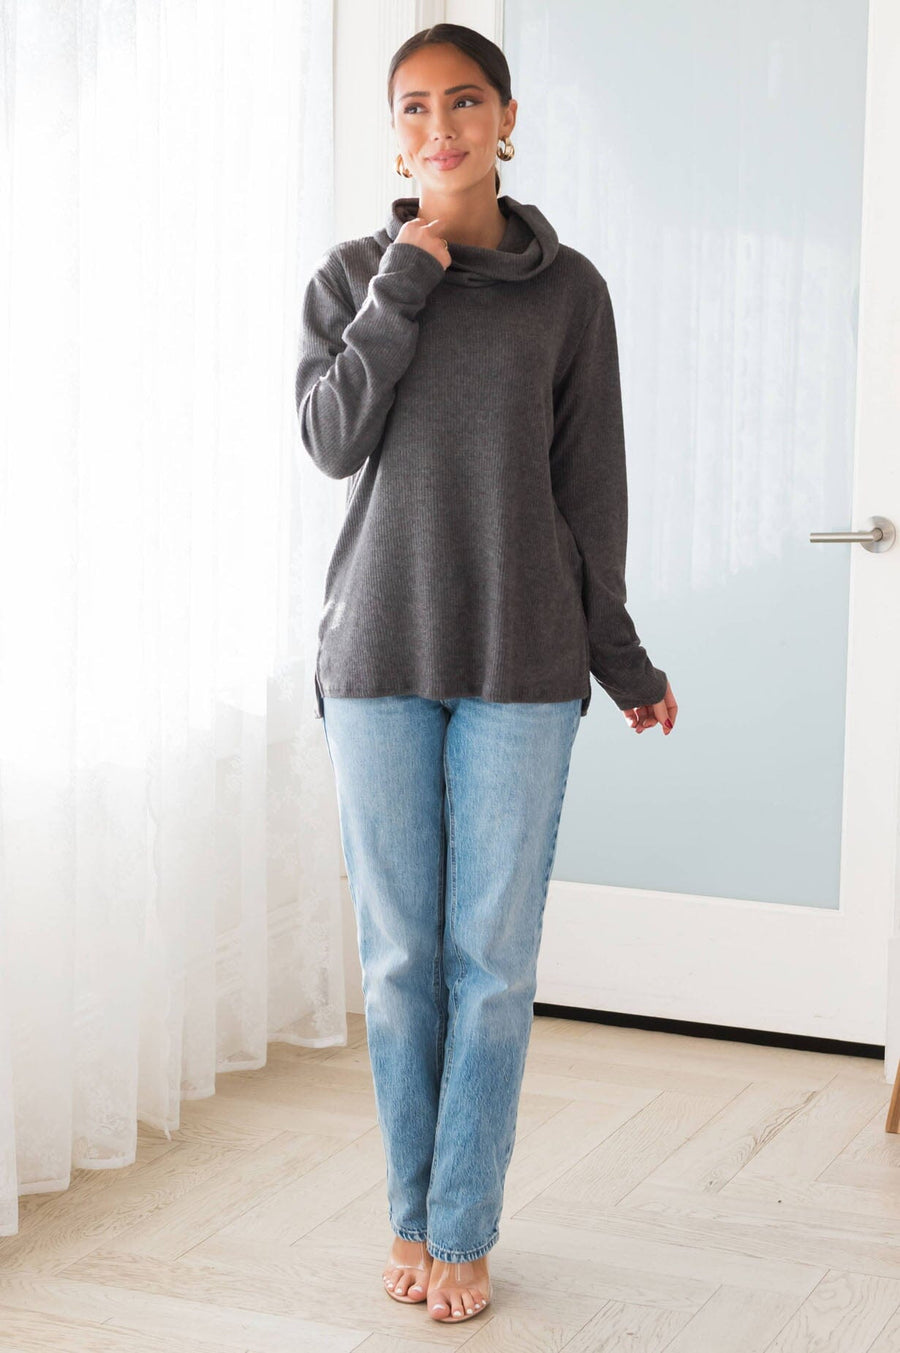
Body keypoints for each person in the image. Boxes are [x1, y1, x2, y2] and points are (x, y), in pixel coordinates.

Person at [295, 22, 677, 1325]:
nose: (440, 127)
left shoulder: (571, 292)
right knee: (401, 959)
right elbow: (330, 439)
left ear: (507, 119)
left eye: (464, 102)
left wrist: (622, 658)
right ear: (393, 130)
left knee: (491, 964)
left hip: (524, 657)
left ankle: (462, 1228)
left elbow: (591, 491)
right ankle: (410, 1213)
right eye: (414, 107)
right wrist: (408, 275)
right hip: (378, 655)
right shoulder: (354, 274)